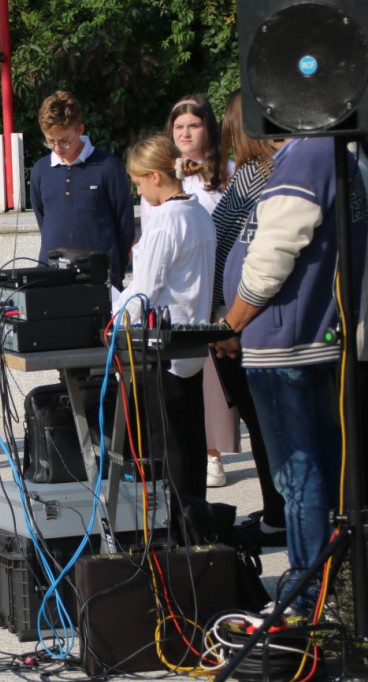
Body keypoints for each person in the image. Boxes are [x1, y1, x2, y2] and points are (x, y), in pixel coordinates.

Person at [216, 136, 367, 614]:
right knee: (317, 470)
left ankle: (306, 595)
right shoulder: (328, 154)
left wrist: (231, 322)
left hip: (285, 346)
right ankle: (330, 588)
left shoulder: (307, 157)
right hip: (305, 343)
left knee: (297, 477)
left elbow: (271, 260)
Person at [117, 134, 215, 502]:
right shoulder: (199, 213)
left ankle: (175, 522)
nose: (139, 189)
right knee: (192, 436)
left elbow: (145, 291)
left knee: (167, 441)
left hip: (164, 348)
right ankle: (195, 515)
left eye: (138, 181)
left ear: (155, 177)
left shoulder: (165, 221)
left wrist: (112, 316)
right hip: (192, 342)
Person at [210, 91, 286, 545]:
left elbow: (224, 244)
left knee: (265, 426)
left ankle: (279, 515)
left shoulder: (256, 177)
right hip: (247, 320)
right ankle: (278, 509)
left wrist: (225, 322)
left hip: (245, 324)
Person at [160, 94, 235, 489]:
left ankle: (221, 447)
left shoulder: (230, 172)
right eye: (178, 126)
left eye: (193, 125)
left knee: (224, 370)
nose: (185, 133)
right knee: (194, 370)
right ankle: (208, 455)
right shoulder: (166, 175)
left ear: (208, 128)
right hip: (186, 285)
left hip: (224, 278)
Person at [29, 90, 134, 289]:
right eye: (50, 141)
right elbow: (43, 219)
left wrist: (116, 272)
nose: (58, 148)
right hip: (52, 279)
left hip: (99, 279)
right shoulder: (40, 170)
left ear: (80, 130)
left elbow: (124, 225)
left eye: (65, 141)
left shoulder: (107, 166)